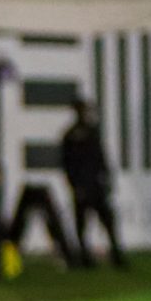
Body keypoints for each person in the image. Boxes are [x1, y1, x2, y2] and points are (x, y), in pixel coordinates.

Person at [60, 99, 122, 270]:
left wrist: (106, 177)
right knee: (83, 222)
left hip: (94, 183)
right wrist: (75, 185)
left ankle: (115, 253)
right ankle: (85, 256)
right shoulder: (72, 135)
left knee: (105, 219)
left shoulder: (90, 131)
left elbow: (100, 157)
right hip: (84, 184)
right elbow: (68, 163)